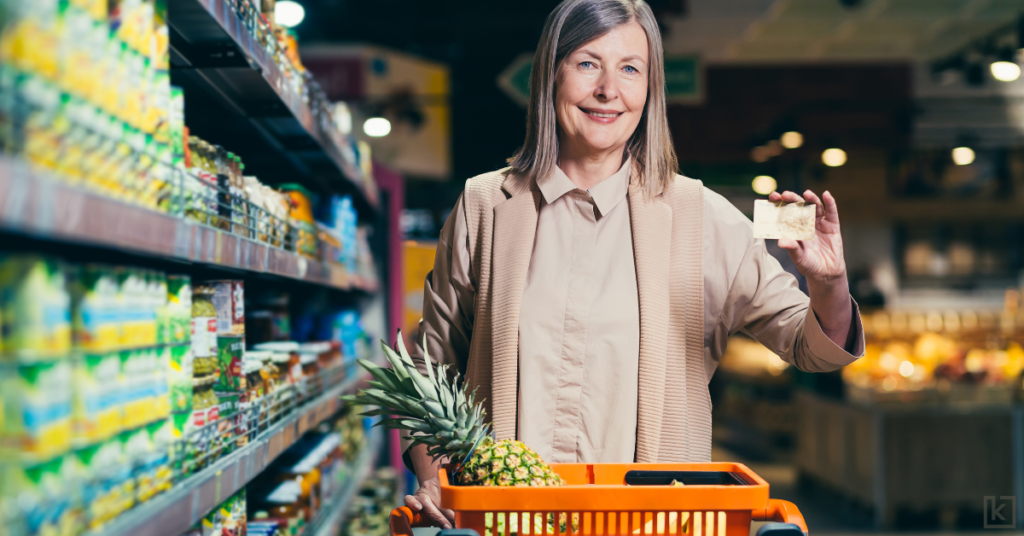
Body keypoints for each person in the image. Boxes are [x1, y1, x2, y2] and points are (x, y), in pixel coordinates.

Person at [406, 0, 863, 527]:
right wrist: (431, 479)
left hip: (654, 523)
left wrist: (829, 284)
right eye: (586, 63)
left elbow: (813, 351)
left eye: (630, 69)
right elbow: (430, 370)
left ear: (650, 90)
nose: (608, 90)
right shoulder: (484, 206)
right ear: (549, 75)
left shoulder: (703, 217)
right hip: (508, 518)